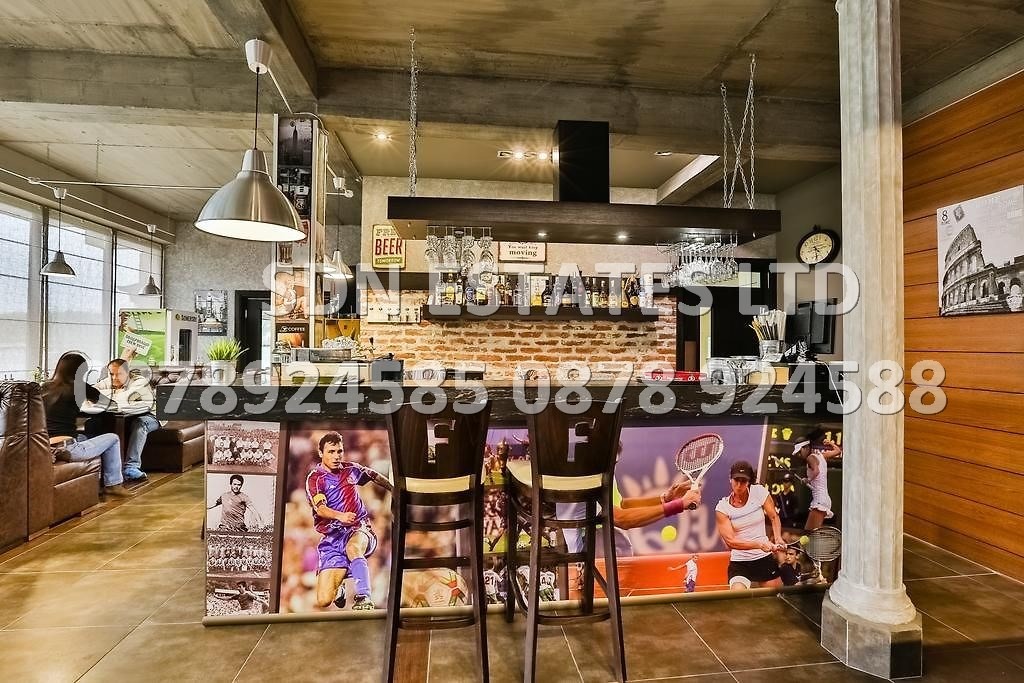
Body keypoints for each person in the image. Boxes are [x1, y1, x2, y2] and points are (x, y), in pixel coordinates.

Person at [305, 431, 393, 610]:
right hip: (333, 537)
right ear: (321, 453)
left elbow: (373, 475)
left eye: (339, 451)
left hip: (359, 528)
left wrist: (394, 488)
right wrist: (340, 515)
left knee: (353, 548)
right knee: (323, 600)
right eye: (331, 452)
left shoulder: (351, 469)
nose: (336, 456)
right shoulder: (315, 479)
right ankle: (340, 588)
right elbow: (320, 509)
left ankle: (364, 597)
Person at [42, 352, 130, 498]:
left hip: (46, 446)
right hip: (68, 448)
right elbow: (110, 404)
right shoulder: (79, 387)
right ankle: (113, 484)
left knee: (85, 436)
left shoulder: (44, 387)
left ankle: (99, 478)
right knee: (113, 438)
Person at [715, 460, 784, 590]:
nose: (739, 485)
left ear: (749, 481)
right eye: (736, 480)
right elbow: (731, 542)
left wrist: (778, 538)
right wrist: (759, 545)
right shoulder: (722, 508)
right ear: (730, 479)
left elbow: (774, 516)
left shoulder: (759, 492)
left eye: (743, 481)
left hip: (764, 559)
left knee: (776, 598)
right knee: (737, 597)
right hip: (740, 562)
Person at [90, 358, 157, 486]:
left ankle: (131, 468)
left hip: (150, 416)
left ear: (128, 373)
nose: (114, 378)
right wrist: (115, 392)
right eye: (111, 374)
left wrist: (110, 394)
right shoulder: (108, 381)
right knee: (93, 423)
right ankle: (95, 466)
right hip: (125, 416)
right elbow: (90, 393)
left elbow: (124, 399)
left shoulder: (140, 382)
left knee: (139, 424)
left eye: (119, 374)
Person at [793, 431, 843, 530]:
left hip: (820, 500)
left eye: (800, 451)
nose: (799, 454)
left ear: (807, 448)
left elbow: (816, 471)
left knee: (809, 532)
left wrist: (808, 480)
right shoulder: (821, 455)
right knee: (812, 532)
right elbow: (838, 451)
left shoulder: (810, 458)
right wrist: (830, 443)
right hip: (824, 500)